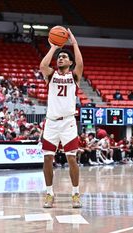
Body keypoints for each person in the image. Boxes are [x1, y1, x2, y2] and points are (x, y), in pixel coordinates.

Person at [39, 28, 83, 208]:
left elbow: (80, 63)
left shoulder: (74, 76)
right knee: (48, 158)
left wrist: (74, 42)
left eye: (64, 57)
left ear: (70, 62)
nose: (60, 58)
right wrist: (53, 47)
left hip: (68, 123)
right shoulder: (51, 74)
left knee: (72, 158)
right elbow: (42, 65)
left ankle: (75, 194)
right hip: (51, 122)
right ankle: (49, 193)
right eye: (59, 57)